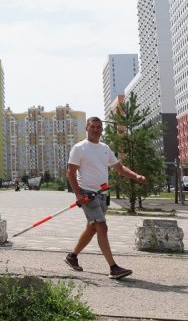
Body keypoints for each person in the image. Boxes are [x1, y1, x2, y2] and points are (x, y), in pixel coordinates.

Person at [64, 116, 146, 280]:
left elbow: (120, 168)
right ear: (87, 128)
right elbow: (70, 172)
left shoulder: (105, 148)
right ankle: (113, 268)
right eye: (92, 126)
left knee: (92, 228)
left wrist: (136, 176)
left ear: (102, 129)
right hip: (88, 194)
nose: (96, 129)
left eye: (98, 127)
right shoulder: (79, 148)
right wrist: (78, 195)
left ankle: (72, 256)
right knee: (102, 227)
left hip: (102, 195)